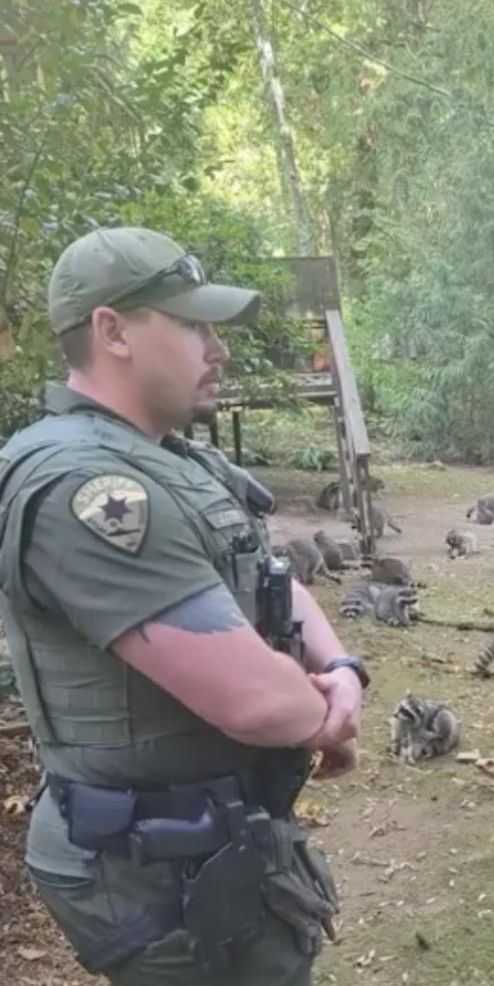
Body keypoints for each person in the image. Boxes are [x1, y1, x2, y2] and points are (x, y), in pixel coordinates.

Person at [0, 226, 369, 985]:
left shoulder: (174, 459)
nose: (218, 347)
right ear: (112, 331)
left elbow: (274, 578)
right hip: (150, 866)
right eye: (194, 324)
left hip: (212, 839)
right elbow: (253, 701)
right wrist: (327, 712)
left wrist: (340, 666)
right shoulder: (87, 489)